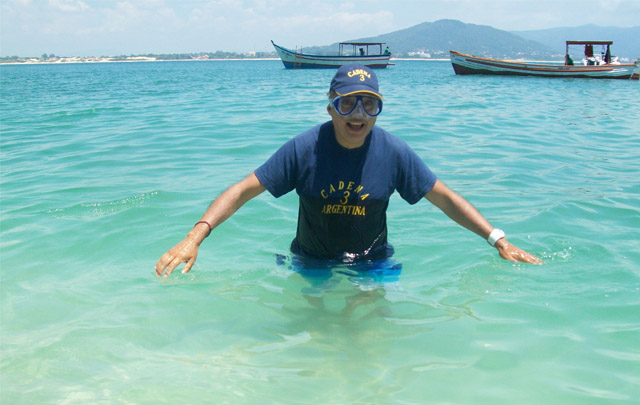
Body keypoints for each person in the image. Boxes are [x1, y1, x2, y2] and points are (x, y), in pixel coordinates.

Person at [155, 64, 540, 278]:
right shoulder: (304, 148)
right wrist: (194, 237)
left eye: (369, 105)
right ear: (330, 108)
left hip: (372, 262)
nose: (358, 114)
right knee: (313, 340)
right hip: (310, 261)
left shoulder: (393, 152)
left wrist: (498, 240)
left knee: (369, 340)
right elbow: (242, 191)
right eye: (348, 104)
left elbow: (446, 200)